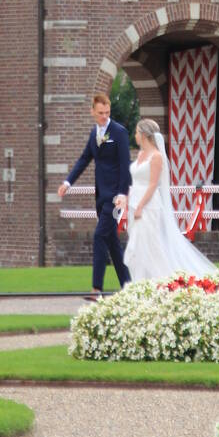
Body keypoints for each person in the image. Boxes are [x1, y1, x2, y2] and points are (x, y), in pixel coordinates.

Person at [122, 118, 219, 282]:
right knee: (138, 245)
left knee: (150, 245)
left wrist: (140, 206)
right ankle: (140, 282)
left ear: (144, 135)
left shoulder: (156, 157)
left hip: (148, 206)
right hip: (135, 203)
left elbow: (153, 184)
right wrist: (126, 200)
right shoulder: (140, 155)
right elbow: (136, 182)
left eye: (137, 132)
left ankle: (164, 280)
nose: (135, 136)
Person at [58, 92, 132, 300]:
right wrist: (67, 182)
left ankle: (96, 289)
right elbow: (84, 159)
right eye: (100, 113)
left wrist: (122, 194)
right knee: (111, 242)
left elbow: (125, 166)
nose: (104, 117)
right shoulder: (94, 134)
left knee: (99, 235)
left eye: (107, 113)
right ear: (92, 111)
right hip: (101, 196)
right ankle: (129, 286)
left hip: (115, 198)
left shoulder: (119, 132)